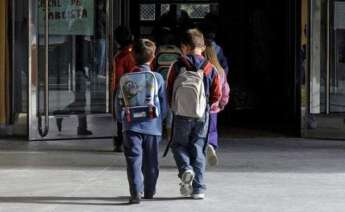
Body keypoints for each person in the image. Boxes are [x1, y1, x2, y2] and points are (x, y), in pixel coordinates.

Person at [167, 29, 222, 199]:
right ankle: (198, 189)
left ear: (183, 47)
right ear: (203, 47)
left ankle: (185, 169)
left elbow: (169, 90)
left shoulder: (176, 66)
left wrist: (174, 107)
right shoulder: (209, 68)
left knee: (178, 145)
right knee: (198, 148)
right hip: (201, 115)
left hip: (181, 114)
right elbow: (216, 94)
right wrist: (206, 106)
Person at [115, 39, 168, 204]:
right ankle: (150, 191)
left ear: (132, 57)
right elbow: (164, 105)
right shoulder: (157, 78)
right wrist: (162, 120)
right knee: (151, 161)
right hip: (152, 127)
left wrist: (121, 120)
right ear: (153, 58)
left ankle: (136, 192)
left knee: (133, 160)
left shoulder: (125, 78)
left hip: (130, 126)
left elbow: (118, 105)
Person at [204, 39, 230, 166]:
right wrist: (223, 103)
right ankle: (211, 145)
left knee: (199, 132)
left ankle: (200, 148)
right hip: (214, 108)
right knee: (212, 130)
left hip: (199, 108)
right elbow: (225, 89)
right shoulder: (220, 70)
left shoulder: (200, 69)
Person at [112, 26, 136, 152]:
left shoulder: (121, 57)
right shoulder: (137, 51)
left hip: (124, 90)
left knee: (121, 117)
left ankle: (121, 141)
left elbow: (119, 77)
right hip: (138, 89)